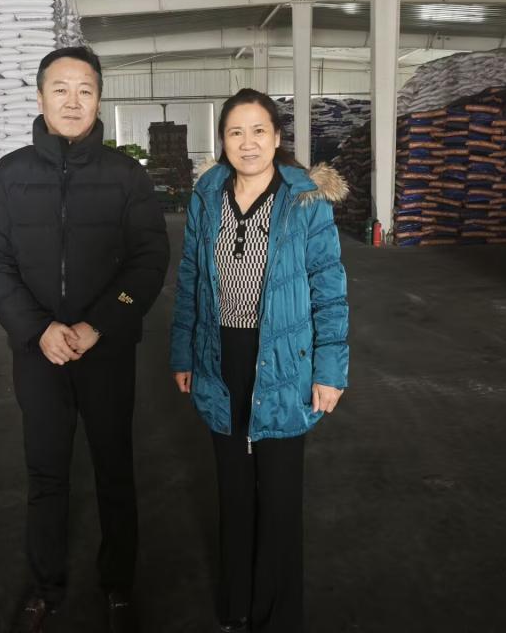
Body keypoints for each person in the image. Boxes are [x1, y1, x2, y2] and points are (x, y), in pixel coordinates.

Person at [0, 46, 169, 633]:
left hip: (106, 350)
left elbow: (149, 259)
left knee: (114, 470)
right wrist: (37, 329)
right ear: (40, 98)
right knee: (47, 472)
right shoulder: (9, 175)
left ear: (99, 100)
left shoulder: (127, 176)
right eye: (61, 89)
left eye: (85, 90)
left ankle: (119, 586)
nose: (73, 101)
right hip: (38, 354)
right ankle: (45, 586)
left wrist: (99, 324)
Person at [169, 88, 349, 633]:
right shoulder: (207, 195)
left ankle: (277, 616)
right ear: (222, 141)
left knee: (278, 493)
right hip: (219, 355)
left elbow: (329, 288)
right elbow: (190, 279)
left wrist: (329, 370)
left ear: (276, 137)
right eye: (235, 132)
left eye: (258, 131)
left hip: (285, 359)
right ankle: (237, 606)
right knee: (233, 489)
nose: (247, 143)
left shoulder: (304, 199)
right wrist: (182, 350)